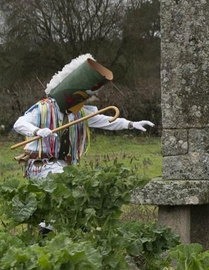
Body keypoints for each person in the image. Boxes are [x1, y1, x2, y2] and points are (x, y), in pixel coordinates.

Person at [12, 54, 155, 180]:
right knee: (65, 182)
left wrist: (130, 124)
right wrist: (37, 131)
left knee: (72, 184)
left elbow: (105, 121)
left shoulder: (79, 113)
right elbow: (19, 123)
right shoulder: (44, 108)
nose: (81, 103)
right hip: (41, 166)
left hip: (63, 164)